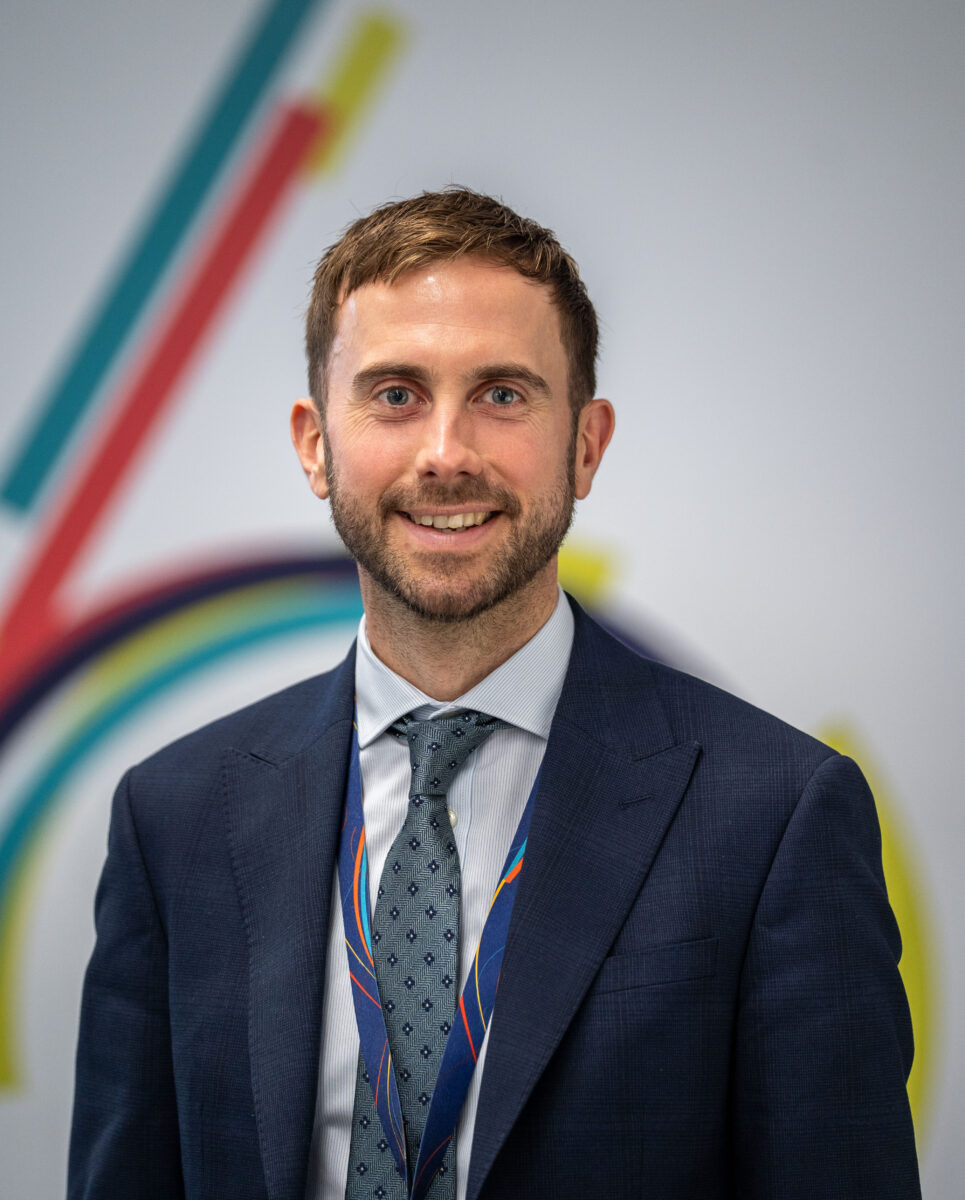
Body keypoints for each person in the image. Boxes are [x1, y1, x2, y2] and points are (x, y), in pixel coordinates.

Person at [68, 188, 921, 1200]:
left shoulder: (777, 814)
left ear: (586, 444)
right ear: (312, 443)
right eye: (394, 394)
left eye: (502, 395)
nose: (445, 453)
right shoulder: (175, 818)